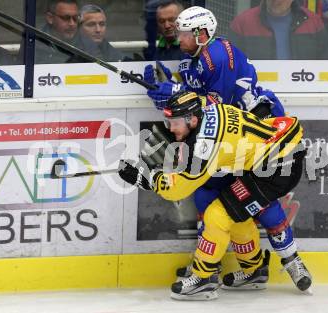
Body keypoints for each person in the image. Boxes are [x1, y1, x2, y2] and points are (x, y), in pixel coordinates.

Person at [143, 6, 311, 292]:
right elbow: (195, 108)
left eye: (184, 32)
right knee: (210, 197)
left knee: (259, 203)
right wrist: (168, 91)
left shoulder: (218, 56)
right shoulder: (192, 58)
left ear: (202, 34)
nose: (177, 37)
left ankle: (291, 260)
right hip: (227, 143)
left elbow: (218, 106)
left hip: (258, 140)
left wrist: (174, 94)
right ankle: (213, 262)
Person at [117, 90, 310, 300]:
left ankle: (203, 279)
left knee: (217, 216)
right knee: (235, 214)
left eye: (175, 122)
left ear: (191, 119)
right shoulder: (209, 110)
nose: (170, 128)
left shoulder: (203, 146)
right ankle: (253, 271)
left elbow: (177, 190)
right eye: (168, 121)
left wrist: (147, 179)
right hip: (277, 155)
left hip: (276, 170)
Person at [228, 0, 328, 60]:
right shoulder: (242, 23)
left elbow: (327, 65)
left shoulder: (313, 22)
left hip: (304, 90)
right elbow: (230, 66)